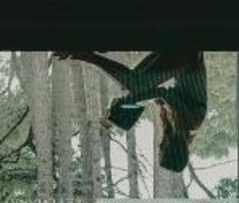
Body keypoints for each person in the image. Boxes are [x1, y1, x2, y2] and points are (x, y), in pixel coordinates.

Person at [54, 50, 207, 173]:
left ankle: (87, 55)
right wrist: (129, 102)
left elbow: (159, 96)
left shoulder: (175, 125)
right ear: (173, 150)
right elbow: (164, 93)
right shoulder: (193, 122)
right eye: (163, 149)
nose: (160, 145)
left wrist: (128, 105)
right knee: (134, 87)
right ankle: (84, 55)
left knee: (130, 86)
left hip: (179, 62)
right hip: (187, 58)